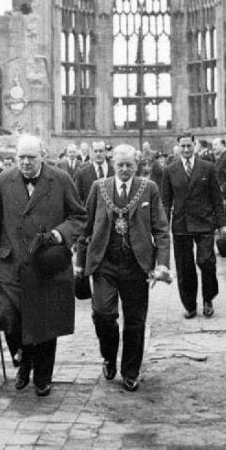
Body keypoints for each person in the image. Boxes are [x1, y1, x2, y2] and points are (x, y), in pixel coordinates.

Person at [0, 135, 86, 397]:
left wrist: (60, 234)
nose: (26, 163)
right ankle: (23, 359)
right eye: (21, 157)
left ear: (43, 156)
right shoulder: (4, 180)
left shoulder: (60, 179)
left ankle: (42, 376)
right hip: (11, 263)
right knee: (11, 318)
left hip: (46, 263)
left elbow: (79, 217)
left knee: (45, 322)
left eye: (31, 157)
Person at [78, 144, 171, 391]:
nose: (125, 169)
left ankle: (130, 371)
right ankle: (109, 356)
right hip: (104, 263)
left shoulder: (148, 188)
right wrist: (79, 265)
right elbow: (85, 228)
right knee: (103, 314)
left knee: (135, 320)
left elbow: (161, 230)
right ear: (113, 165)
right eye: (120, 165)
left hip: (136, 265)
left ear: (136, 165)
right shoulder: (99, 188)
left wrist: (162, 264)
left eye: (129, 165)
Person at [161, 133, 226, 319]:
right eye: (182, 146)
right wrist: (163, 225)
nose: (186, 149)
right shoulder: (170, 170)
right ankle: (190, 305)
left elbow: (217, 198)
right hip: (181, 224)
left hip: (204, 222)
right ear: (178, 147)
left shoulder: (207, 168)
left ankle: (208, 299)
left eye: (189, 146)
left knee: (207, 262)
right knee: (185, 266)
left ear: (194, 146)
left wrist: (222, 224)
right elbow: (165, 201)